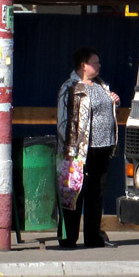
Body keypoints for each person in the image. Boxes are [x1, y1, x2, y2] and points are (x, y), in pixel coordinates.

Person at [56, 47, 120, 249]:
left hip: (102, 147)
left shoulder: (101, 85)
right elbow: (64, 120)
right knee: (74, 193)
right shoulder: (71, 87)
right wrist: (69, 148)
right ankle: (68, 238)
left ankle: (93, 237)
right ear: (84, 65)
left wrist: (114, 101)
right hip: (80, 150)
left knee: (96, 194)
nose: (99, 65)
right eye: (95, 62)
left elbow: (104, 109)